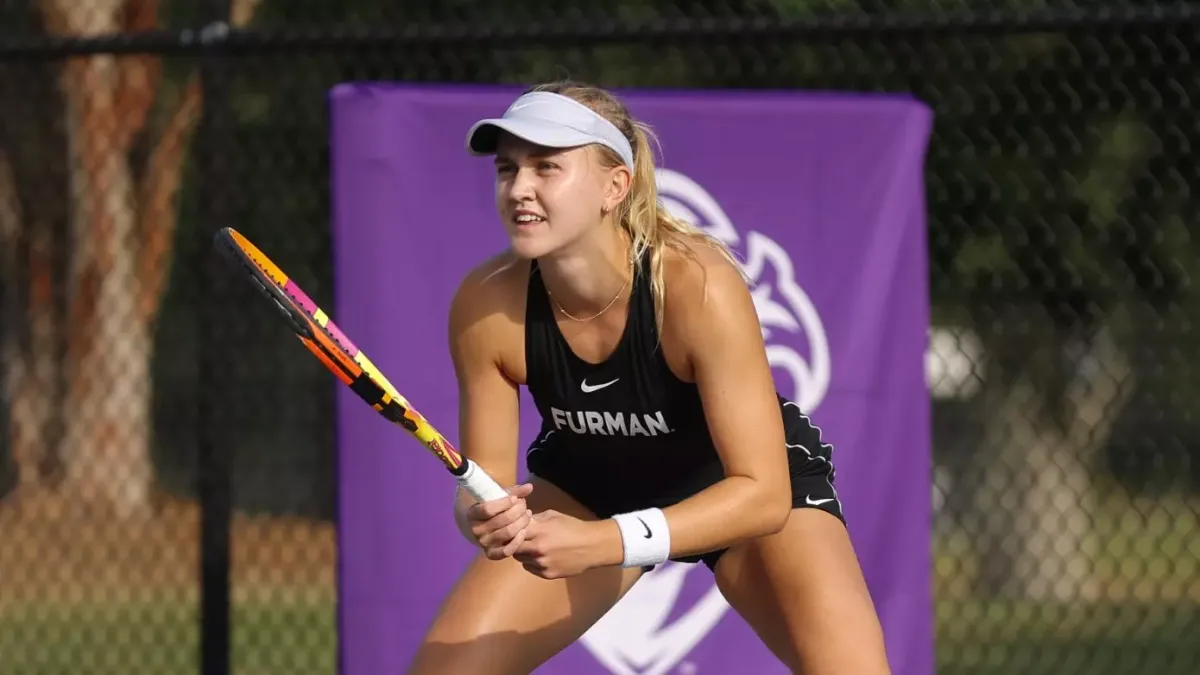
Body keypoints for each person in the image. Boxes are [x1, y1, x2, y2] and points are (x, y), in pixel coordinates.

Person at [408, 80, 891, 675]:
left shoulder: (697, 286)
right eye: (508, 169)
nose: (520, 189)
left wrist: (605, 542)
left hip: (735, 489)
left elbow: (763, 494)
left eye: (547, 167)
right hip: (593, 482)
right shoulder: (484, 305)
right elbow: (480, 490)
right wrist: (482, 517)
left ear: (616, 186)